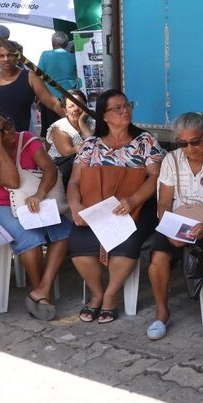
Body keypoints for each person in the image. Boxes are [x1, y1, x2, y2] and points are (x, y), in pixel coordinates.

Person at [0, 108, 74, 322]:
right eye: (0, 130)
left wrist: (39, 194)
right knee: (30, 237)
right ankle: (41, 291)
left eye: (6, 124)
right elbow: (12, 181)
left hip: (33, 199)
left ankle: (42, 290)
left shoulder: (26, 139)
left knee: (63, 229)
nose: (8, 131)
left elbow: (50, 168)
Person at [67, 90, 163, 323]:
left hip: (136, 206)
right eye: (117, 108)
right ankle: (97, 293)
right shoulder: (90, 144)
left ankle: (111, 295)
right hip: (97, 206)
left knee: (128, 242)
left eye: (127, 105)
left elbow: (155, 177)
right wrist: (75, 205)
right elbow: (74, 181)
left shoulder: (145, 141)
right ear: (104, 116)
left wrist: (133, 200)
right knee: (78, 241)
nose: (125, 110)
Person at [148, 112, 203, 341]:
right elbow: (164, 201)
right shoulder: (172, 159)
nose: (189, 148)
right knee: (158, 254)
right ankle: (161, 312)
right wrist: (169, 227)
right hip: (180, 220)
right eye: (183, 143)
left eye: (195, 142)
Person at [0, 41, 65, 133]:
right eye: (1, 56)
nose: (6, 59)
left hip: (20, 140)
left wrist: (73, 120)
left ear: (17, 57)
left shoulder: (30, 77)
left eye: (10, 55)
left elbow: (53, 103)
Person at [46, 91, 93, 186]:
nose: (76, 109)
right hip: (63, 167)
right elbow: (67, 152)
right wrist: (86, 147)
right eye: (71, 106)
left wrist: (82, 123)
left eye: (79, 104)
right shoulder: (60, 126)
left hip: (84, 166)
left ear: (85, 106)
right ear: (65, 111)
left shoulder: (92, 123)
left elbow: (95, 145)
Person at [36, 31, 78, 138]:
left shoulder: (45, 55)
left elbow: (38, 75)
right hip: (68, 98)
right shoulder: (73, 57)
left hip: (49, 98)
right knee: (69, 129)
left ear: (52, 43)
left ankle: (50, 154)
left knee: (48, 132)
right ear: (66, 43)